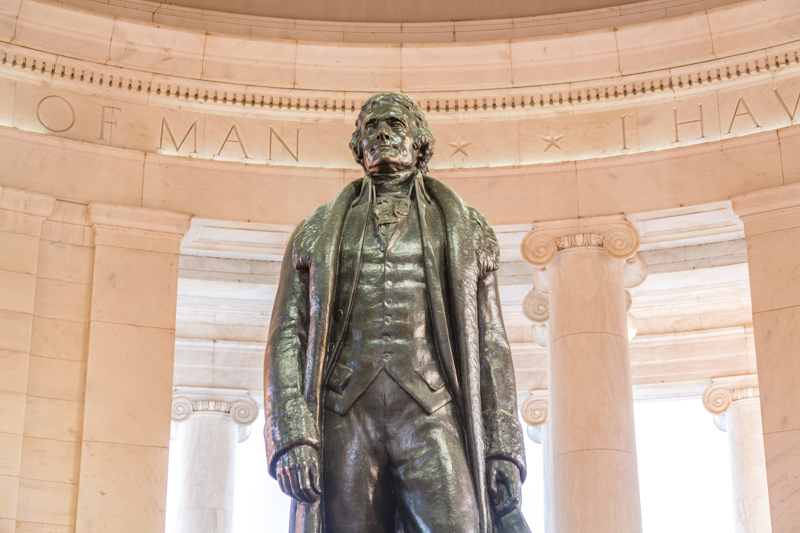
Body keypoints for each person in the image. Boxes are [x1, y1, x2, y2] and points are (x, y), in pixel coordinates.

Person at [264, 92, 529, 533]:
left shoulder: (467, 227)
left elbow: (491, 343)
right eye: (371, 127)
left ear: (420, 143)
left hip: (432, 411)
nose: (382, 133)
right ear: (357, 145)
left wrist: (503, 448)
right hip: (344, 414)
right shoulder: (315, 229)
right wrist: (292, 435)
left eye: (394, 124)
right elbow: (288, 333)